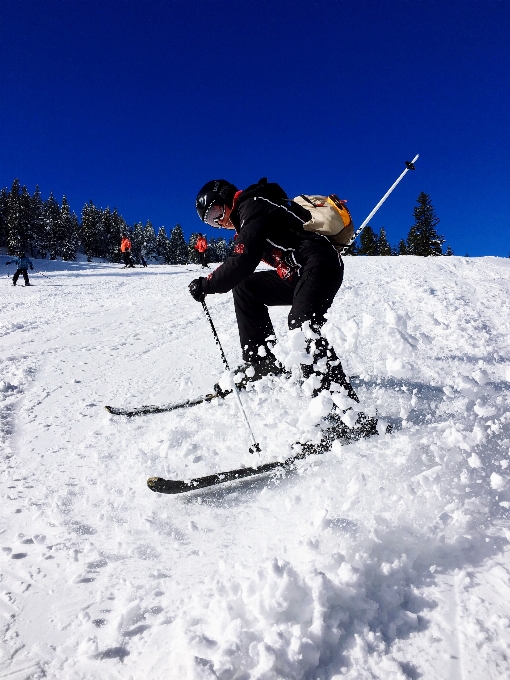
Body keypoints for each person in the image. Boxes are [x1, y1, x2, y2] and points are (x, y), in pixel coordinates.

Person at [190, 178, 358, 401]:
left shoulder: (253, 206)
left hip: (320, 264)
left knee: (302, 326)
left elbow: (242, 259)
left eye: (216, 213)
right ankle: (261, 362)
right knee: (246, 287)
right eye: (211, 222)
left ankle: (344, 415)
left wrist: (207, 284)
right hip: (298, 275)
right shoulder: (247, 216)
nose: (219, 223)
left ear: (227, 197)